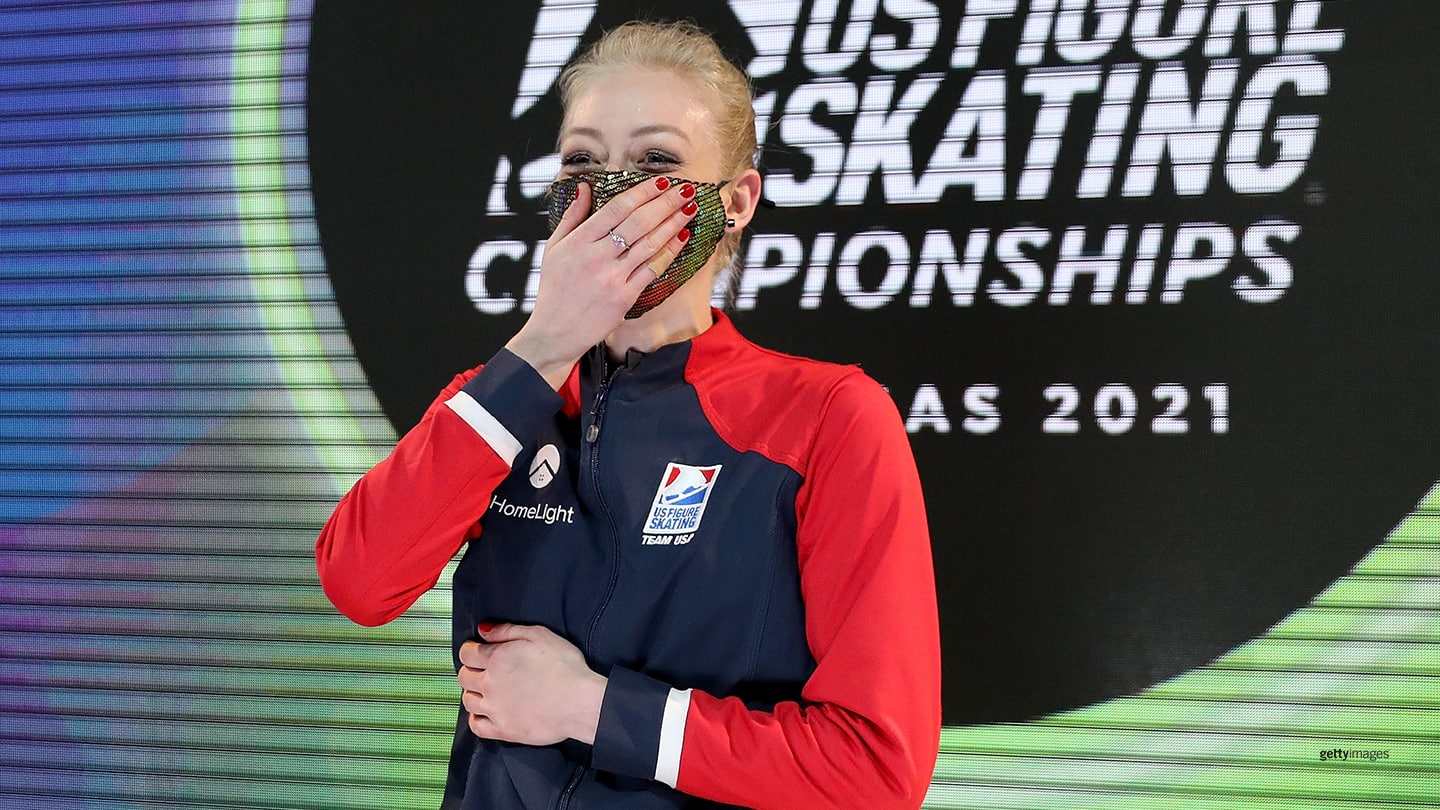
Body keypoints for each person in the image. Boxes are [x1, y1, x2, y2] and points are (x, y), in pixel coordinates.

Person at [316, 19, 941, 810]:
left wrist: (593, 708)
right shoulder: (502, 395)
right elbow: (359, 583)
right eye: (583, 160)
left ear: (737, 200)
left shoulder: (825, 416)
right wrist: (544, 344)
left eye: (656, 162)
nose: (615, 191)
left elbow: (874, 772)